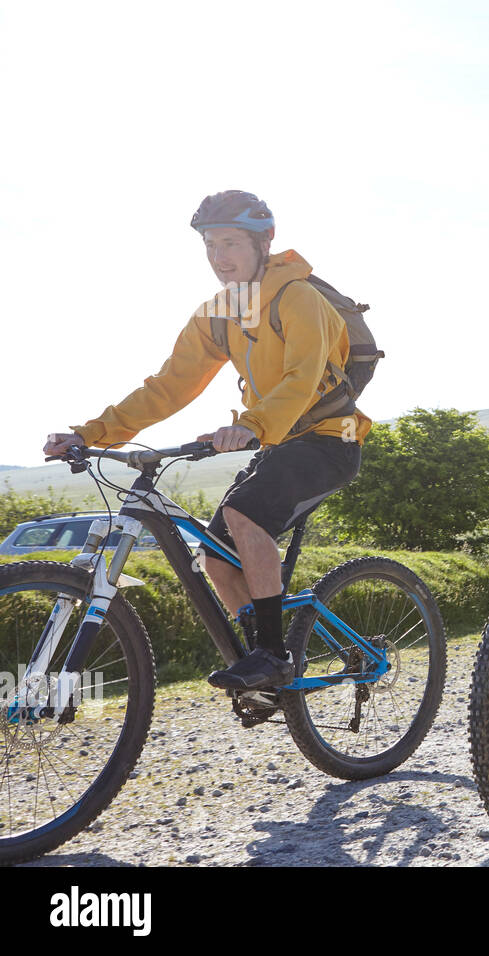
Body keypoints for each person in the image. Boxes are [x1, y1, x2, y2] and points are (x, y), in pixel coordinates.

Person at [42, 190, 371, 691]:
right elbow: (168, 386)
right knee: (215, 555)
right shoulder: (219, 312)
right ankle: (259, 663)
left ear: (265, 241)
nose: (220, 258)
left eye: (232, 243)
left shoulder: (299, 297)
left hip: (330, 439)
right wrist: (90, 433)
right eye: (211, 246)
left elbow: (301, 379)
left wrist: (252, 426)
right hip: (278, 442)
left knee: (245, 514)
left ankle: (273, 655)